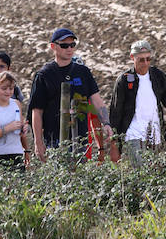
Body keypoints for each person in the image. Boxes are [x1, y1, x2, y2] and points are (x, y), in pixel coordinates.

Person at [27, 28, 113, 161]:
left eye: (72, 45)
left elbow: (96, 100)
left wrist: (106, 123)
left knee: (80, 177)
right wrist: (38, 142)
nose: (69, 49)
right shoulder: (44, 75)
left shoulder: (83, 72)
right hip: (54, 141)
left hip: (80, 139)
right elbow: (37, 111)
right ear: (53, 47)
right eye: (64, 45)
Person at [109, 39, 166, 163]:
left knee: (156, 170)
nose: (145, 63)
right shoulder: (124, 80)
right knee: (139, 170)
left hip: (155, 133)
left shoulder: (158, 76)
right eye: (141, 60)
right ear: (132, 57)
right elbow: (116, 112)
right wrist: (114, 143)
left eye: (148, 59)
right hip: (132, 133)